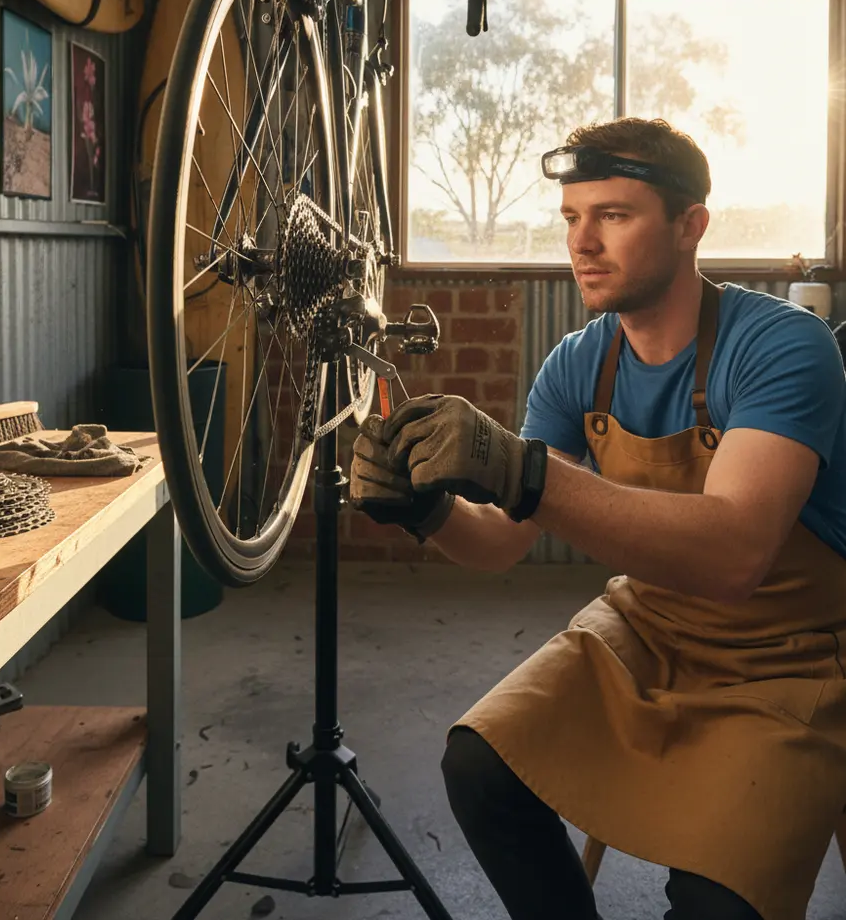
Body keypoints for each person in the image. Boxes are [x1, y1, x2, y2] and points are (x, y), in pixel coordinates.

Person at [350, 117, 846, 920]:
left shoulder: (784, 345)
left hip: (788, 659)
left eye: (613, 215)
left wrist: (524, 471)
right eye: (572, 218)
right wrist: (428, 508)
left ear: (691, 226)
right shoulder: (580, 363)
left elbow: (735, 554)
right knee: (478, 767)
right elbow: (498, 545)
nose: (582, 242)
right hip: (648, 628)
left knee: (719, 897)